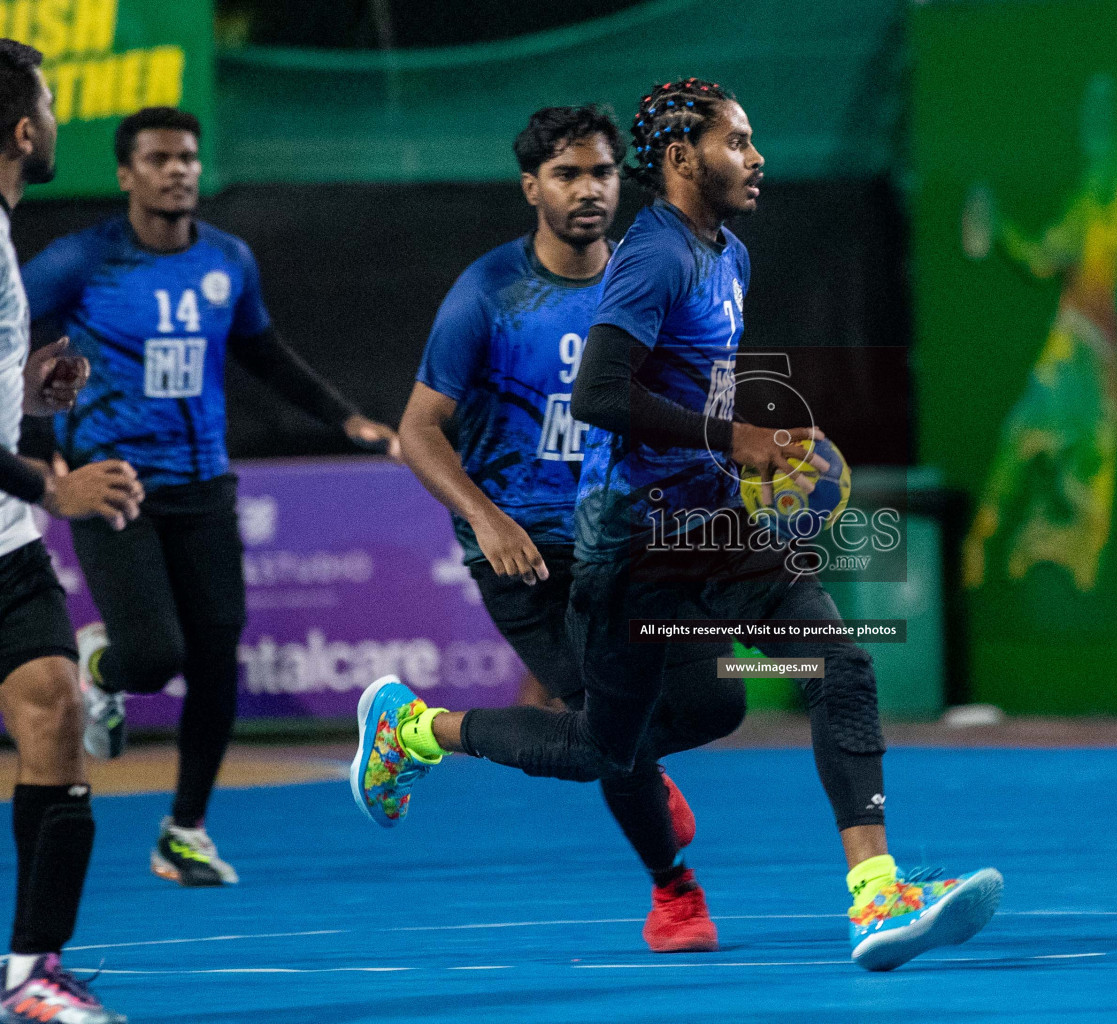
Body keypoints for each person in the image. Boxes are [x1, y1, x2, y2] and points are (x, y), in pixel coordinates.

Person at [364, 78, 1002, 972]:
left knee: (835, 659)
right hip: (628, 544)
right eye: (737, 141)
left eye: (752, 139)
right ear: (679, 159)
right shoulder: (646, 259)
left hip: (710, 526)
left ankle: (875, 895)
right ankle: (418, 731)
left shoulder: (728, 253)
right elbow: (600, 393)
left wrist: (765, 449)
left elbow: (697, 382)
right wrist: (732, 436)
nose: (756, 156)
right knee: (601, 750)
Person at [364, 104, 744, 954]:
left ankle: (418, 731)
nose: (588, 190)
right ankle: (674, 892)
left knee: (716, 703)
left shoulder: (651, 277)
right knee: (606, 733)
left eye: (603, 172)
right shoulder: (490, 293)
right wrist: (487, 518)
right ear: (530, 187)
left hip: (635, 538)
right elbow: (418, 430)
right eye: (567, 174)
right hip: (530, 551)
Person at [21, 106, 400, 888]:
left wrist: (343, 415)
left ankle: (184, 831)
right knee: (156, 658)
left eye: (188, 157)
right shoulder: (81, 261)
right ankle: (105, 671)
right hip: (113, 485)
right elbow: (8, 335)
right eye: (159, 158)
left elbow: (263, 352)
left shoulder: (228, 259)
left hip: (205, 486)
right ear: (126, 174)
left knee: (219, 660)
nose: (178, 170)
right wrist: (36, 437)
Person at [0, 38, 142, 1024]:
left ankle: (31, 972)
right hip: (18, 509)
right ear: (21, 129)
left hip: (0, 535)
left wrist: (28, 387)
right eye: (50, 103)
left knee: (55, 708)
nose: (56, 122)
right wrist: (51, 488)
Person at [960, 19, 1117, 592]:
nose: (1098, 119)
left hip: (1105, 349)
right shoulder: (1077, 203)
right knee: (1021, 433)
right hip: (1071, 340)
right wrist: (1000, 229)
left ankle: (1074, 566)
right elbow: (1040, 260)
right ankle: (979, 539)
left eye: (1106, 108)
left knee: (1093, 469)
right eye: (1091, 111)